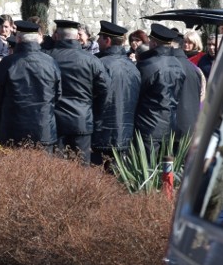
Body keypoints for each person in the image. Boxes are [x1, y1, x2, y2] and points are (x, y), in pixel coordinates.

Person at [48, 19, 110, 164]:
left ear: (56, 36)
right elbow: (105, 90)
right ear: (77, 37)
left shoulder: (48, 57)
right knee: (81, 171)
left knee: (56, 172)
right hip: (82, 120)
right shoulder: (91, 60)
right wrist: (95, 114)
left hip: (55, 121)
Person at [0, 20, 61, 149]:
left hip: (13, 129)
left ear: (18, 39)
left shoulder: (7, 63)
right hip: (44, 129)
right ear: (38, 39)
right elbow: (57, 94)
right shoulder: (50, 62)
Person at [92, 21, 140, 166]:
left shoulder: (99, 64)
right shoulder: (133, 67)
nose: (97, 41)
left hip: (101, 133)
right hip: (125, 134)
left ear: (107, 40)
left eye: (99, 38)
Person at [134, 24, 186, 158]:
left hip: (148, 127)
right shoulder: (178, 64)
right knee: (166, 172)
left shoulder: (147, 65)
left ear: (154, 43)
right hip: (170, 126)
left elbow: (135, 94)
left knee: (146, 171)